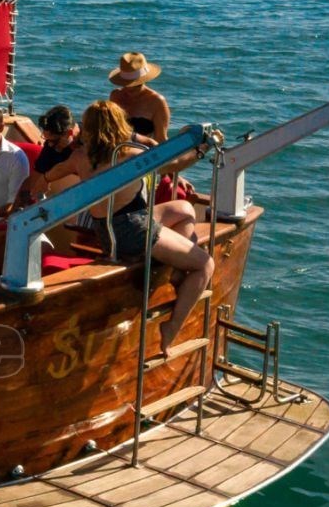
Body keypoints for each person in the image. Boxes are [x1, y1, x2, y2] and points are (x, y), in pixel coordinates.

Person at [40, 100, 211, 351]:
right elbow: (174, 165)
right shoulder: (131, 156)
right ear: (120, 125)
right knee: (205, 265)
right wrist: (201, 149)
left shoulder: (79, 157)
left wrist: (43, 180)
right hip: (133, 231)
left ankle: (174, 272)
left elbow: (51, 174)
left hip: (107, 230)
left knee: (183, 209)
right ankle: (172, 327)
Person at [15, 104, 79, 204]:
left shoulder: (87, 145)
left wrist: (47, 178)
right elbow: (34, 180)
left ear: (69, 133)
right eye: (46, 139)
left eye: (54, 141)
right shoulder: (50, 147)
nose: (49, 144)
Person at [108, 52, 171, 141]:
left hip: (142, 149)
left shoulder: (156, 101)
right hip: (116, 148)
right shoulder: (115, 96)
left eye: (136, 85)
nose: (130, 89)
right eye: (126, 84)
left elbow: (161, 138)